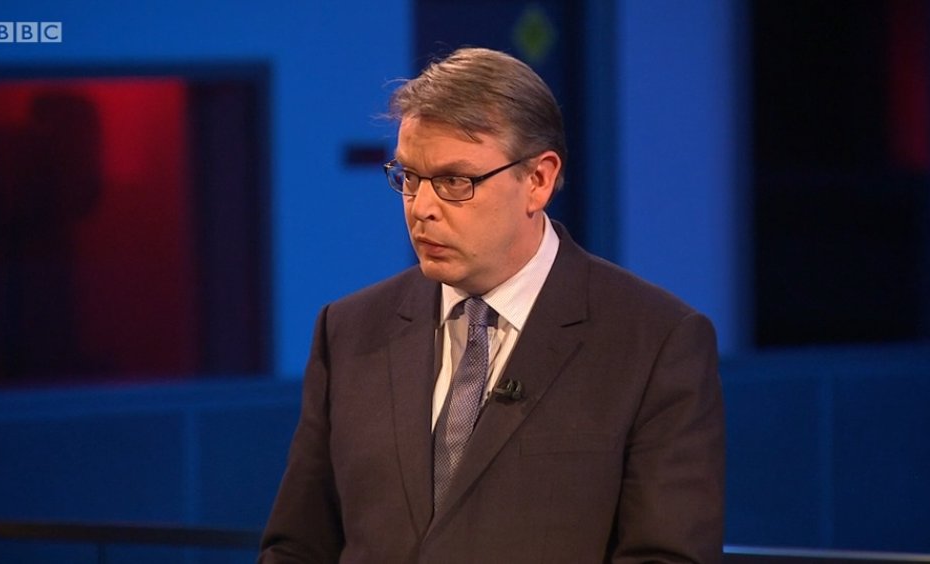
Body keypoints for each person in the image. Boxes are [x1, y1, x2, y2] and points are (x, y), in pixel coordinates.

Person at [259, 47, 724, 563]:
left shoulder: (654, 342)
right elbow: (297, 547)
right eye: (409, 177)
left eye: (455, 182)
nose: (422, 208)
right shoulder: (348, 331)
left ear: (538, 180)